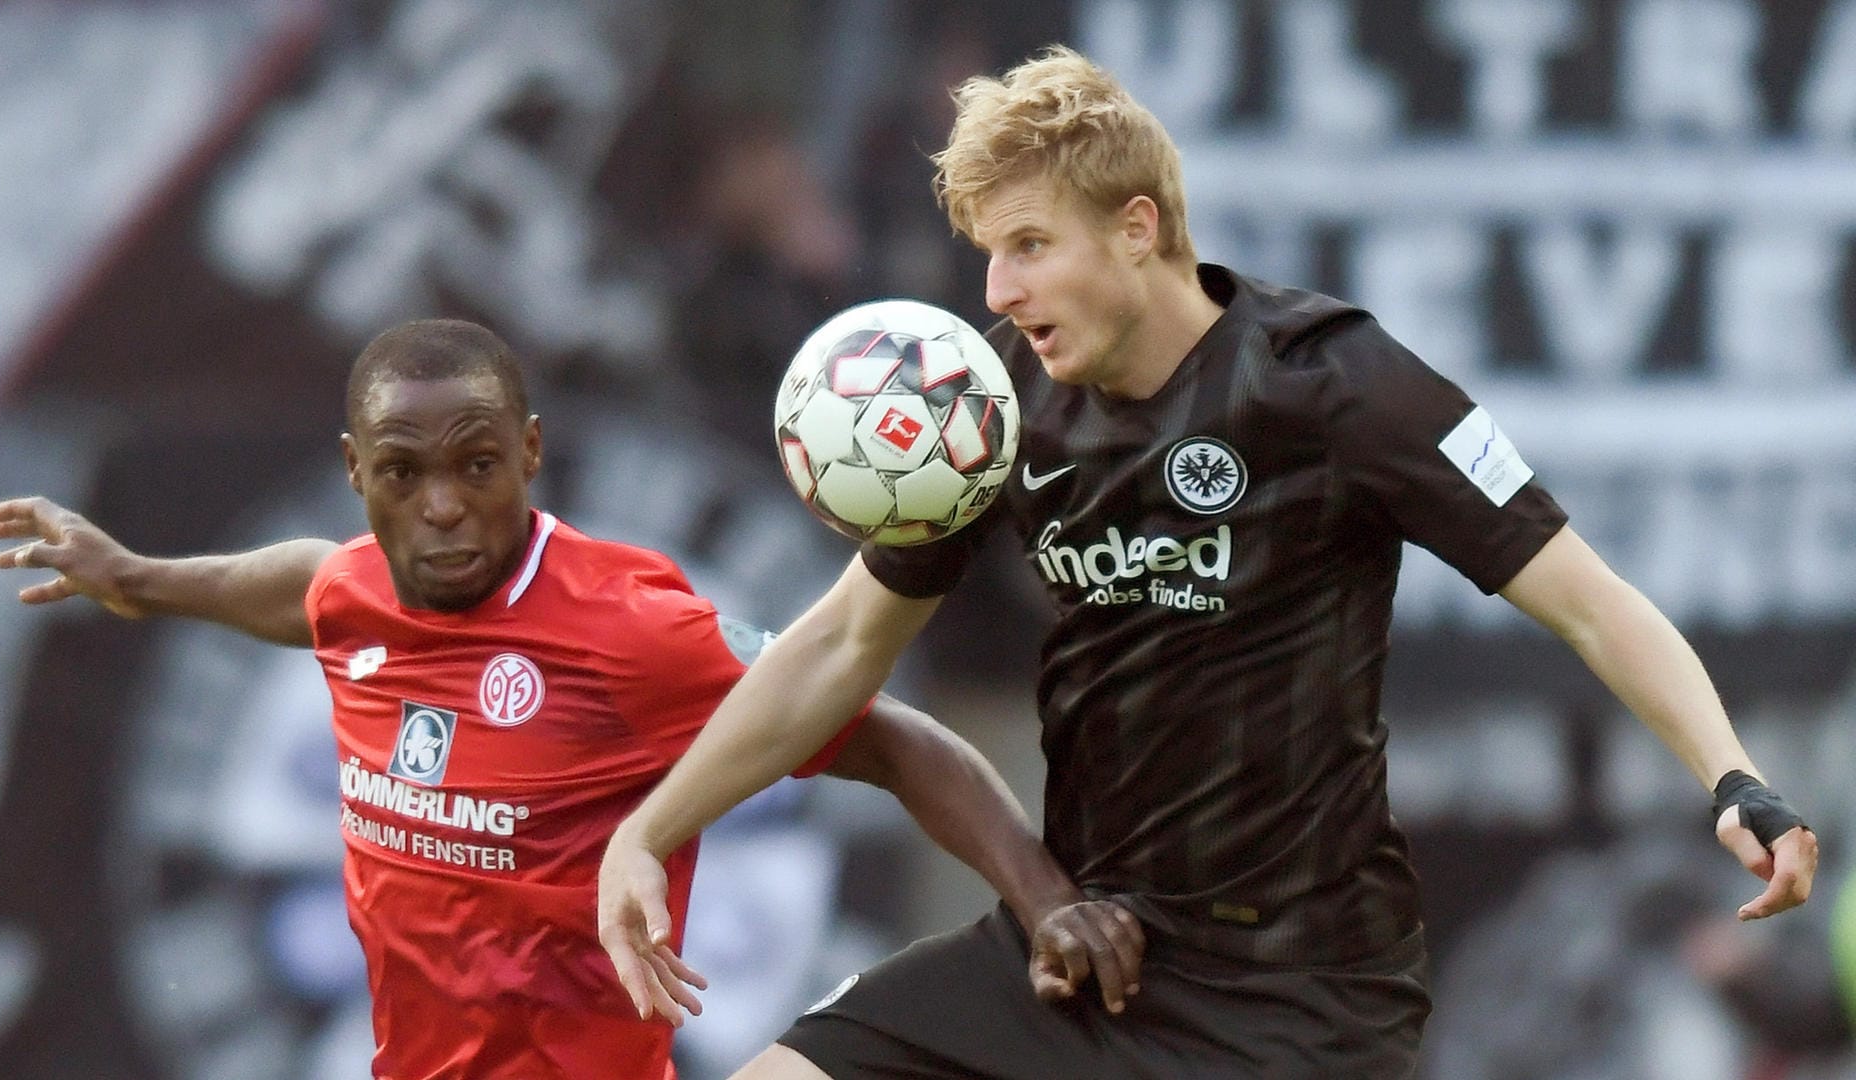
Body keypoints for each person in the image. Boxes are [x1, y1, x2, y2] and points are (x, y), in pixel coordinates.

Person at [596, 46, 1821, 1079]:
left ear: (1139, 229)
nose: (998, 288)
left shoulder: (1334, 383)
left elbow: (1593, 606)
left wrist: (1735, 780)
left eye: (1028, 244)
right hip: (1094, 954)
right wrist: (653, 830)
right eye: (985, 251)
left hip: (1308, 997)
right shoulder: (996, 403)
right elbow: (843, 643)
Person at [0, 318, 1144, 1080]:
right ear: (356, 472)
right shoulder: (359, 587)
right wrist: (134, 576)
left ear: (530, 452)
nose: (443, 505)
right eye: (403, 473)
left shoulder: (632, 630)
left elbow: (892, 740)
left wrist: (1045, 901)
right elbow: (295, 584)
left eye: (475, 465)